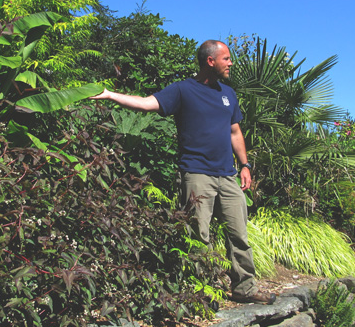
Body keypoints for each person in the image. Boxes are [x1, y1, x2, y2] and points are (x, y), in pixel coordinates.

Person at [91, 40, 275, 305]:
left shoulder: (228, 94)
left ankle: (244, 289)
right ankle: (199, 292)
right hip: (196, 173)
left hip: (228, 175)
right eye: (226, 59)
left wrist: (244, 166)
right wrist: (110, 95)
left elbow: (235, 132)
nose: (230, 63)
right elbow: (146, 104)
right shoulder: (182, 90)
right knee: (197, 236)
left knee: (239, 235)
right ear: (210, 61)